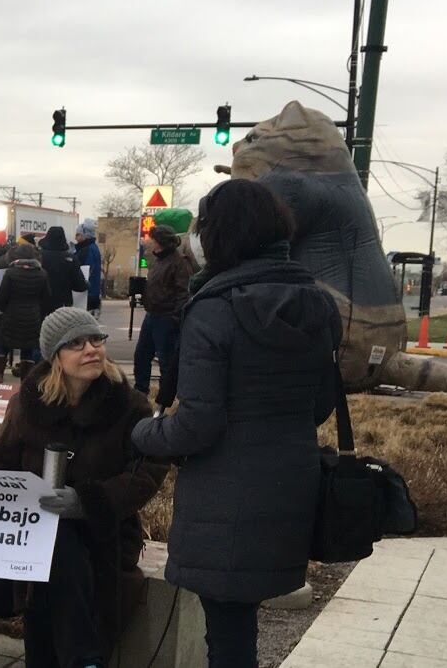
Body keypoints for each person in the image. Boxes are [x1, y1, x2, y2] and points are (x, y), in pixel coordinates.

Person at [131, 179, 339, 668]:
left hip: (225, 493)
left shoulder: (215, 308)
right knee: (237, 625)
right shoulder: (319, 302)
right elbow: (321, 404)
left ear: (220, 235)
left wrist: (141, 432)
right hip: (292, 480)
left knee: (227, 636)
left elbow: (199, 423)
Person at [0, 308, 168, 668]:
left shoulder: (128, 406)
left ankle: (79, 658)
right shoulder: (28, 403)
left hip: (103, 532)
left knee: (58, 546)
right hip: (33, 531)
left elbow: (147, 472)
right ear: (55, 356)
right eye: (76, 344)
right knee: (51, 546)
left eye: (96, 340)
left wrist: (86, 502)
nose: (91, 349)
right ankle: (82, 658)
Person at [136, 223, 197, 407]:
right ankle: (140, 393)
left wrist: (176, 318)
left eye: (152, 239)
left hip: (166, 318)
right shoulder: (159, 261)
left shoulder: (179, 262)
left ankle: (164, 401)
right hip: (152, 315)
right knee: (141, 356)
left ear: (160, 242)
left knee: (166, 361)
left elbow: (183, 293)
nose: (150, 242)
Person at [0, 243, 49, 369]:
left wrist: (3, 309)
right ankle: (25, 381)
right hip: (32, 317)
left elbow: (2, 296)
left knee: (4, 345)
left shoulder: (10, 273)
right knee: (28, 348)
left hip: (11, 315)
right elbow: (46, 297)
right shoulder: (42, 274)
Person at [39, 226, 87, 316]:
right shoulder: (70, 259)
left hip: (41, 305)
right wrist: (87, 284)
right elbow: (79, 285)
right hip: (63, 306)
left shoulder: (38, 256)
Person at [75, 220, 103, 315]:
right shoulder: (93, 248)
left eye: (78, 234)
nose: (76, 237)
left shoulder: (87, 250)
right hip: (93, 293)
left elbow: (85, 271)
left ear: (84, 235)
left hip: (87, 295)